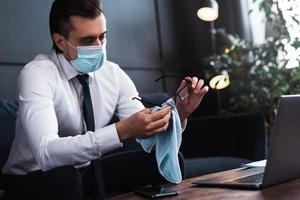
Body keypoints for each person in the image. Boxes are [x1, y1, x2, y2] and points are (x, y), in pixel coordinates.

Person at [2, 0, 209, 199]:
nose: (99, 47)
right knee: (65, 177)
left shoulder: (112, 73)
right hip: (30, 178)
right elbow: (45, 153)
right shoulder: (37, 74)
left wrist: (180, 112)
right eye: (88, 40)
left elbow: (148, 134)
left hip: (87, 171)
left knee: (160, 163)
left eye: (103, 37)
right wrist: (121, 130)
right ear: (60, 42)